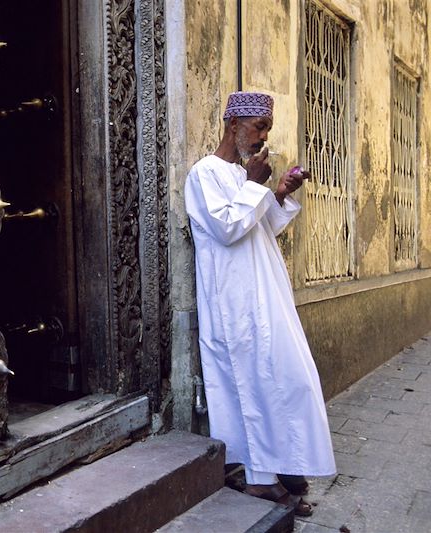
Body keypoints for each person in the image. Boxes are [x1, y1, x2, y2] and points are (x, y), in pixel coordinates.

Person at [184, 91, 336, 516]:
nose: (264, 135)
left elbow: (263, 227)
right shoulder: (204, 174)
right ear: (233, 125)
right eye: (258, 126)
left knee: (287, 380)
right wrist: (254, 185)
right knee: (251, 387)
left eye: (267, 127)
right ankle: (259, 480)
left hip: (265, 295)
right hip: (234, 303)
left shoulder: (240, 174)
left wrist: (281, 192)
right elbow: (227, 228)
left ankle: (284, 465)